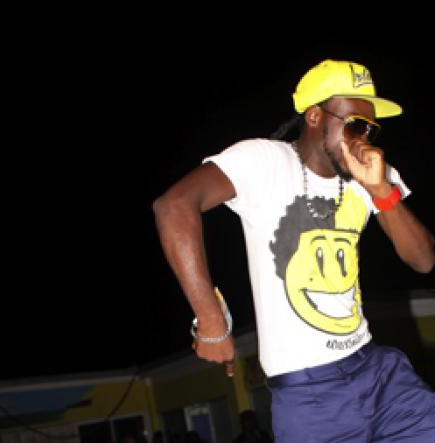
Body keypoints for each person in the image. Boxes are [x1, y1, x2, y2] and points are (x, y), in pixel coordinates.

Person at [153, 59, 435, 442]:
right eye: (354, 124)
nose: (362, 139)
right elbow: (174, 206)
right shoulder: (264, 160)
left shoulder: (370, 174)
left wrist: (381, 191)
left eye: (370, 128)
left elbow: (423, 259)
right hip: (309, 396)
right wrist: (211, 321)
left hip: (377, 371)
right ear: (315, 116)